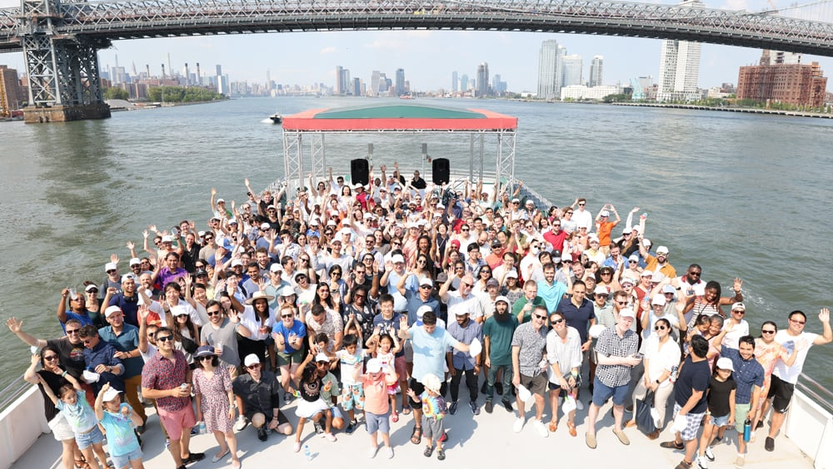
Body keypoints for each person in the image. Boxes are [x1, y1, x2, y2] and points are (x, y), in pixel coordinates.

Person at [398, 311, 471, 446]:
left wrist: (470, 348)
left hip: (437, 380)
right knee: (417, 404)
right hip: (419, 378)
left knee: (437, 406)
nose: (429, 330)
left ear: (436, 324)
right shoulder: (417, 330)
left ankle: (438, 429)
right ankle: (418, 427)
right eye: (427, 327)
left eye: (432, 327)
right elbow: (403, 335)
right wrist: (402, 330)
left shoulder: (443, 333)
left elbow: (457, 344)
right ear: (423, 324)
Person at [764, 308, 832, 452]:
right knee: (765, 399)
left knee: (779, 410)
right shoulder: (778, 334)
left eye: (801, 322)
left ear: (804, 324)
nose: (797, 324)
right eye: (794, 321)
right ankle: (758, 420)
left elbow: (827, 338)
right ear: (789, 320)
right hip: (772, 374)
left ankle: (771, 437)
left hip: (789, 380)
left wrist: (826, 322)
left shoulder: (807, 338)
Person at [141, 327, 204, 469]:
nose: (167, 341)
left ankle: (186, 455)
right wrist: (171, 392)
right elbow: (146, 392)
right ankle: (178, 465)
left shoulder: (180, 354)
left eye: (169, 337)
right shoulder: (151, 365)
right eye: (162, 339)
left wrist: (188, 383)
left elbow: (187, 370)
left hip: (185, 403)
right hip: (168, 409)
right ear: (156, 343)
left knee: (188, 429)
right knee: (174, 439)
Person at [585, 308, 639, 449]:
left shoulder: (634, 337)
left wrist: (614, 358)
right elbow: (601, 360)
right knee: (596, 404)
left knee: (619, 404)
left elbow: (632, 360)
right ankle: (590, 430)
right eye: (624, 319)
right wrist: (624, 360)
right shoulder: (606, 334)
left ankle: (618, 428)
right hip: (604, 378)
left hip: (623, 379)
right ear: (618, 318)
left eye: (629, 320)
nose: (626, 322)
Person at [24, 347, 82, 469]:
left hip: (69, 412)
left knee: (73, 439)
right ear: (43, 360)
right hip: (57, 414)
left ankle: (79, 460)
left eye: (55, 356)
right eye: (48, 358)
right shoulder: (41, 375)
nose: (53, 360)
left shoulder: (62, 369)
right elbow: (28, 377)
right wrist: (34, 363)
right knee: (68, 445)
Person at [661, 335, 711, 469]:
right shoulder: (691, 357)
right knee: (678, 427)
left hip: (691, 411)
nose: (687, 346)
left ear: (692, 349)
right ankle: (678, 443)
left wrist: (683, 412)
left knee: (689, 436)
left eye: (689, 345)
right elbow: (684, 362)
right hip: (680, 402)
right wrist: (678, 372)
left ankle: (688, 461)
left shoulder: (701, 372)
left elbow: (697, 396)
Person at [38, 375, 109, 469]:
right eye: (69, 397)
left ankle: (105, 466)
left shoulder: (81, 398)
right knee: (89, 458)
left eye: (73, 395)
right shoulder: (63, 406)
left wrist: (63, 373)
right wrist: (43, 382)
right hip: (81, 436)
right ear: (62, 399)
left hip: (94, 430)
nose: (73, 399)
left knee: (99, 451)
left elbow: (75, 382)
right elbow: (51, 395)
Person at [627, 317, 681, 439]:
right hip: (649, 375)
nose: (659, 329)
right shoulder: (652, 340)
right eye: (656, 327)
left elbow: (669, 369)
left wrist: (657, 382)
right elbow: (647, 358)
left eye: (662, 327)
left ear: (669, 329)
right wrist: (646, 376)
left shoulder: (674, 347)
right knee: (637, 395)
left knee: (659, 403)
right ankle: (635, 418)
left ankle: (657, 427)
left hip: (664, 380)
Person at [98, 305, 146, 430]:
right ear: (107, 319)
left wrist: (127, 354)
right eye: (112, 317)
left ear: (122, 315)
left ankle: (161, 417)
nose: (116, 319)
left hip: (139, 371)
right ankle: (142, 419)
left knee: (151, 397)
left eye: (118, 315)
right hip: (122, 375)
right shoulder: (102, 333)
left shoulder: (132, 330)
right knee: (133, 400)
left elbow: (142, 349)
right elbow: (91, 339)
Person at [192, 346, 240, 468]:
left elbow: (229, 390)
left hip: (222, 403)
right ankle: (224, 449)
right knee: (216, 430)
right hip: (207, 406)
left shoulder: (222, 369)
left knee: (228, 432)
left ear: (212, 357)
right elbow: (197, 394)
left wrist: (231, 406)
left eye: (208, 357)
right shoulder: (196, 373)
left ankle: (234, 456)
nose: (205, 360)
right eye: (202, 358)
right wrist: (199, 412)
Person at [720, 336, 764, 467]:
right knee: (720, 422)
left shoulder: (758, 369)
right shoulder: (733, 354)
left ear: (754, 349)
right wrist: (726, 331)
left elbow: (757, 391)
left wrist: (752, 409)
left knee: (741, 430)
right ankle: (719, 437)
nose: (745, 352)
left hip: (743, 401)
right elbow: (716, 344)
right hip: (725, 395)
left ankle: (741, 452)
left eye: (748, 349)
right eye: (742, 348)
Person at [232, 354, 292, 442]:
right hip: (254, 411)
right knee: (258, 419)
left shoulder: (270, 377)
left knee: (288, 430)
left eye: (256, 365)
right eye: (251, 367)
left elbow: (275, 397)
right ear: (247, 369)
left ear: (260, 365)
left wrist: (275, 418)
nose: (254, 368)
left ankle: (270, 423)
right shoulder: (241, 381)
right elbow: (225, 391)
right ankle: (260, 428)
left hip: (269, 408)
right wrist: (229, 381)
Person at [511, 304, 550, 437]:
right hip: (523, 370)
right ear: (532, 315)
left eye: (543, 317)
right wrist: (516, 374)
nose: (540, 319)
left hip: (539, 371)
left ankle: (538, 420)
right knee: (521, 397)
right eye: (538, 316)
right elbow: (515, 352)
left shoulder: (546, 331)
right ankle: (521, 417)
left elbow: (545, 349)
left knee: (540, 398)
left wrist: (545, 358)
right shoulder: (521, 330)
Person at [545, 310, 582, 436]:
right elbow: (552, 359)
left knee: (572, 395)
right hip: (556, 372)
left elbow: (577, 355)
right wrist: (560, 378)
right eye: (554, 322)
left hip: (572, 370)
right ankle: (554, 418)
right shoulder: (550, 336)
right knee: (554, 394)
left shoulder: (574, 333)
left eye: (559, 320)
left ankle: (571, 421)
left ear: (564, 320)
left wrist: (574, 374)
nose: (557, 324)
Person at [292, 352, 337, 453]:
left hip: (318, 400)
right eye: (314, 374)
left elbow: (321, 388)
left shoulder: (318, 379)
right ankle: (297, 440)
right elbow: (297, 375)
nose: (316, 375)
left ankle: (328, 432)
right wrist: (306, 361)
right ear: (306, 376)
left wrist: (326, 387)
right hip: (306, 402)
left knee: (328, 413)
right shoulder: (302, 381)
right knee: (301, 421)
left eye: (316, 373)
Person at [696, 357, 737, 469]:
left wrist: (732, 415)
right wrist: (707, 412)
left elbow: (732, 399)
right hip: (711, 413)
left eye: (728, 371)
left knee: (715, 432)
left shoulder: (732, 384)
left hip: (723, 413)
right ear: (717, 369)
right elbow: (704, 397)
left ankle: (706, 447)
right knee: (706, 433)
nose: (726, 373)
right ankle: (700, 456)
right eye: (723, 370)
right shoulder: (710, 381)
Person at [93, 383, 145, 469]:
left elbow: (140, 423)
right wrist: (101, 392)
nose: (117, 402)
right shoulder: (104, 416)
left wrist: (129, 414)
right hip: (118, 453)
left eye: (117, 398)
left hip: (133, 447)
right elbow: (97, 409)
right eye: (112, 401)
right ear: (104, 404)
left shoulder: (125, 406)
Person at [482, 296, 518, 414]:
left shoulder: (513, 319)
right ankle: (489, 399)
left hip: (509, 357)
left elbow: (517, 336)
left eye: (503, 304)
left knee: (507, 382)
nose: (501, 307)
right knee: (491, 381)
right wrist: (487, 356)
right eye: (499, 304)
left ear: (507, 306)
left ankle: (506, 399)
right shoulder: (490, 321)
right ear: (495, 306)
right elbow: (486, 339)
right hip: (494, 357)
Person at [446, 307, 483, 415]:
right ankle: (454, 402)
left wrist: (477, 364)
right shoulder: (452, 328)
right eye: (457, 316)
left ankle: (473, 401)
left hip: (471, 362)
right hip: (456, 361)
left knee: (473, 383)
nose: (458, 318)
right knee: (454, 383)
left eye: (461, 316)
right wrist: (451, 366)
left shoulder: (476, 327)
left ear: (468, 315)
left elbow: (478, 346)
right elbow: (449, 349)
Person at [407, 373, 448, 461]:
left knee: (438, 435)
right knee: (427, 433)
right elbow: (418, 400)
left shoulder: (440, 400)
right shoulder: (425, 394)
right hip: (425, 417)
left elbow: (444, 413)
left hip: (436, 420)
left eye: (426, 387)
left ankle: (439, 448)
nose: (424, 387)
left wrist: (437, 417)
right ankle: (429, 446)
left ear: (432, 391)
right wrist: (413, 396)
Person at [363, 358, 397, 459]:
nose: (374, 373)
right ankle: (374, 446)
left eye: (376, 371)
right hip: (369, 411)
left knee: (385, 431)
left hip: (383, 411)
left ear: (381, 370)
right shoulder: (366, 378)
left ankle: (387, 446)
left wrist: (389, 366)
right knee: (372, 431)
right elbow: (355, 377)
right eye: (372, 371)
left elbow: (394, 378)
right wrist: (357, 369)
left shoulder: (384, 377)